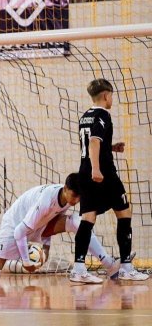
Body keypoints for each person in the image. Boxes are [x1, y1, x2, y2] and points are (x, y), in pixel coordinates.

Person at [0, 173, 120, 281]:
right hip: (15, 224)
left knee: (78, 223)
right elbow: (20, 231)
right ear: (65, 187)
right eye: (74, 195)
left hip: (35, 225)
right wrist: (27, 262)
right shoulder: (46, 201)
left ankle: (109, 265)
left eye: (79, 197)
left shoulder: (66, 200)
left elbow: (48, 222)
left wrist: (45, 248)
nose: (76, 200)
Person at [72, 78, 148, 283]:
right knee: (124, 213)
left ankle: (78, 268)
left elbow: (91, 143)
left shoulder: (85, 115)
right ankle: (126, 266)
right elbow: (94, 142)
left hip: (84, 172)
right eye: (111, 95)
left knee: (88, 219)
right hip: (104, 174)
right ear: (106, 95)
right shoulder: (103, 114)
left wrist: (111, 147)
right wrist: (97, 169)